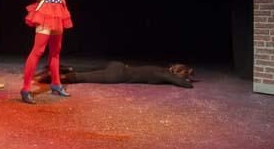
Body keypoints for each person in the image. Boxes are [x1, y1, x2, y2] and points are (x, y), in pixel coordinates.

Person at [13, 0, 73, 104]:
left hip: (58, 9)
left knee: (56, 51)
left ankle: (56, 84)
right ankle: (25, 89)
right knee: (38, 50)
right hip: (46, 10)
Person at [58, 62, 195, 88]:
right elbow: (186, 85)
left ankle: (63, 68)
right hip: (118, 75)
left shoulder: (160, 69)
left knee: (88, 69)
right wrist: (186, 78)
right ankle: (53, 79)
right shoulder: (163, 74)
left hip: (119, 65)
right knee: (84, 77)